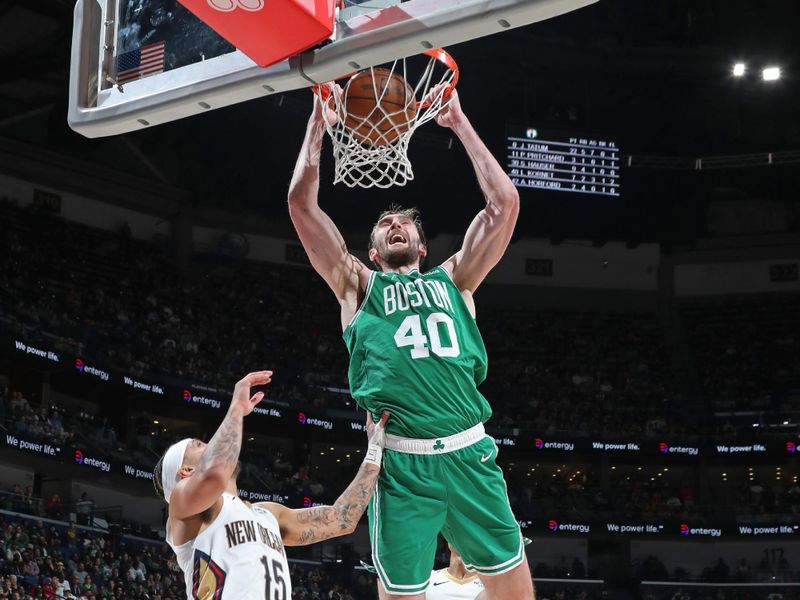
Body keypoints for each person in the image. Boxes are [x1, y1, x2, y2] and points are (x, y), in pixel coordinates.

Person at [289, 89, 533, 600]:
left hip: (469, 454)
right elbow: (301, 205)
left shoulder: (457, 280)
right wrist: (317, 125)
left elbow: (504, 203)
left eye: (404, 223)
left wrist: (459, 122)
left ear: (422, 248)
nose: (394, 223)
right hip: (401, 467)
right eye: (383, 224)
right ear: (373, 253)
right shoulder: (358, 287)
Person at [154, 371, 387, 599]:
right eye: (198, 444)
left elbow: (342, 519)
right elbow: (214, 473)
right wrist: (236, 407)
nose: (210, 442)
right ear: (186, 472)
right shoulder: (183, 507)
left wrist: (375, 451)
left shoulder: (268, 514)